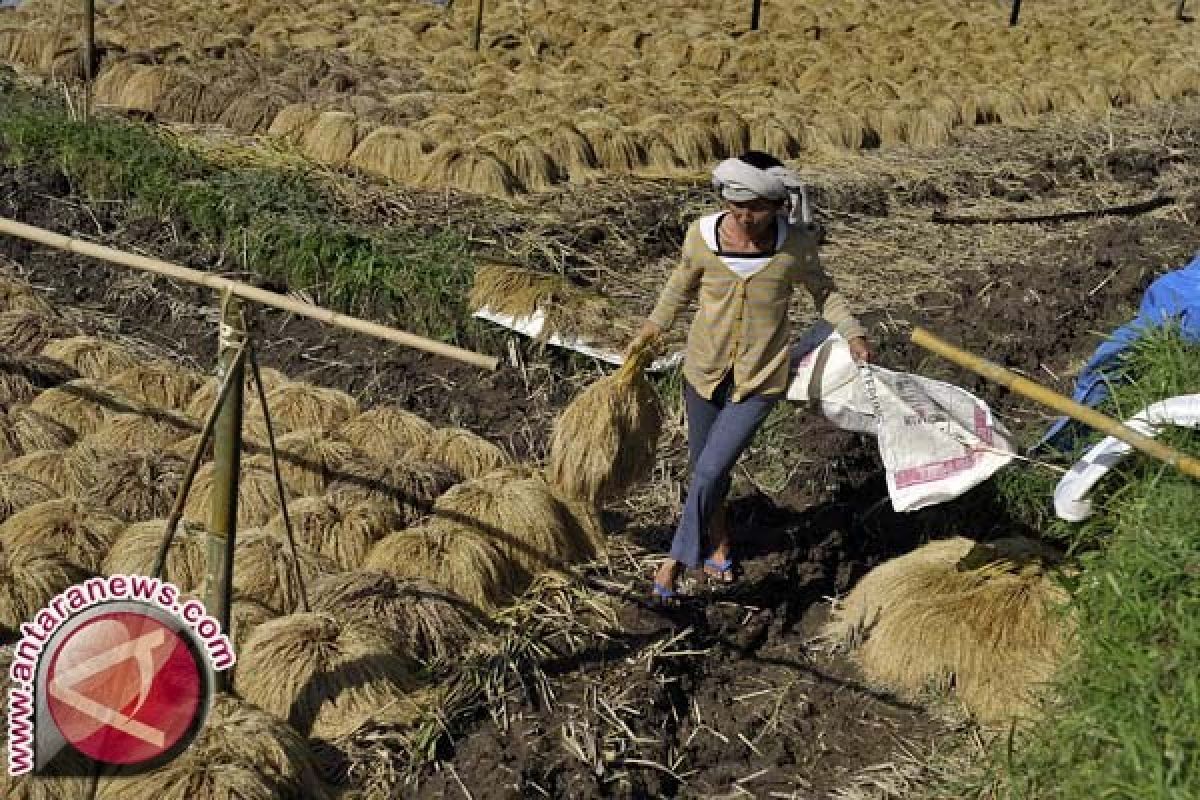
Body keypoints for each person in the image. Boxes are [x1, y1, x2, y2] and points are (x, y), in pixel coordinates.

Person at [627, 150, 871, 604]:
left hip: (759, 378)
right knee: (707, 471)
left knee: (710, 469)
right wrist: (653, 328)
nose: (744, 215)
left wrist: (852, 332)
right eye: (736, 204)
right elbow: (680, 284)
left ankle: (675, 562)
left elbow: (825, 292)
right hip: (703, 370)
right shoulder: (702, 237)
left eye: (756, 207)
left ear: (778, 205)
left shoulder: (794, 246)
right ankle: (719, 541)